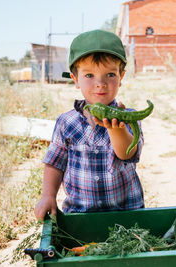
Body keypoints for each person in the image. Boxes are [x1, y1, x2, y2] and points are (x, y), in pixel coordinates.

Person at [34, 29, 145, 220]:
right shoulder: (66, 122)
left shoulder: (128, 118)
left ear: (121, 77)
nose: (100, 83)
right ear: (75, 79)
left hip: (127, 216)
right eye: (89, 76)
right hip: (80, 216)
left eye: (110, 74)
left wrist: (115, 130)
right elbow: (55, 163)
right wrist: (48, 196)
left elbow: (127, 154)